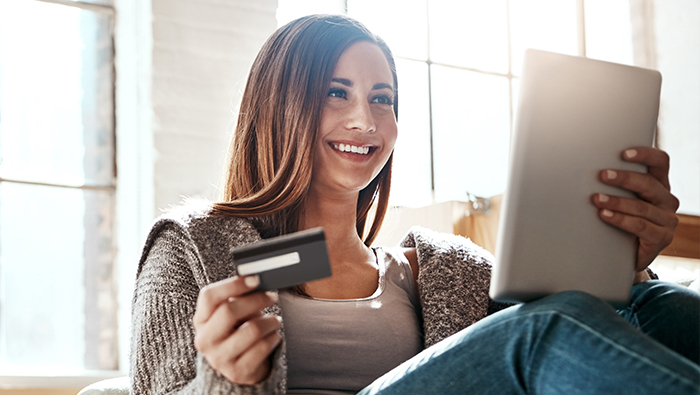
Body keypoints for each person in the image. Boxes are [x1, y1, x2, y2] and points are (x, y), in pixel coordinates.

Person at [130, 14, 700, 394]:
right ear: (276, 105)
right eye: (336, 93)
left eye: (382, 99)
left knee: (661, 304)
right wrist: (222, 380)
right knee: (545, 327)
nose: (365, 120)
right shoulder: (195, 247)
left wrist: (623, 257)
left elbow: (589, 340)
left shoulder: (439, 266)